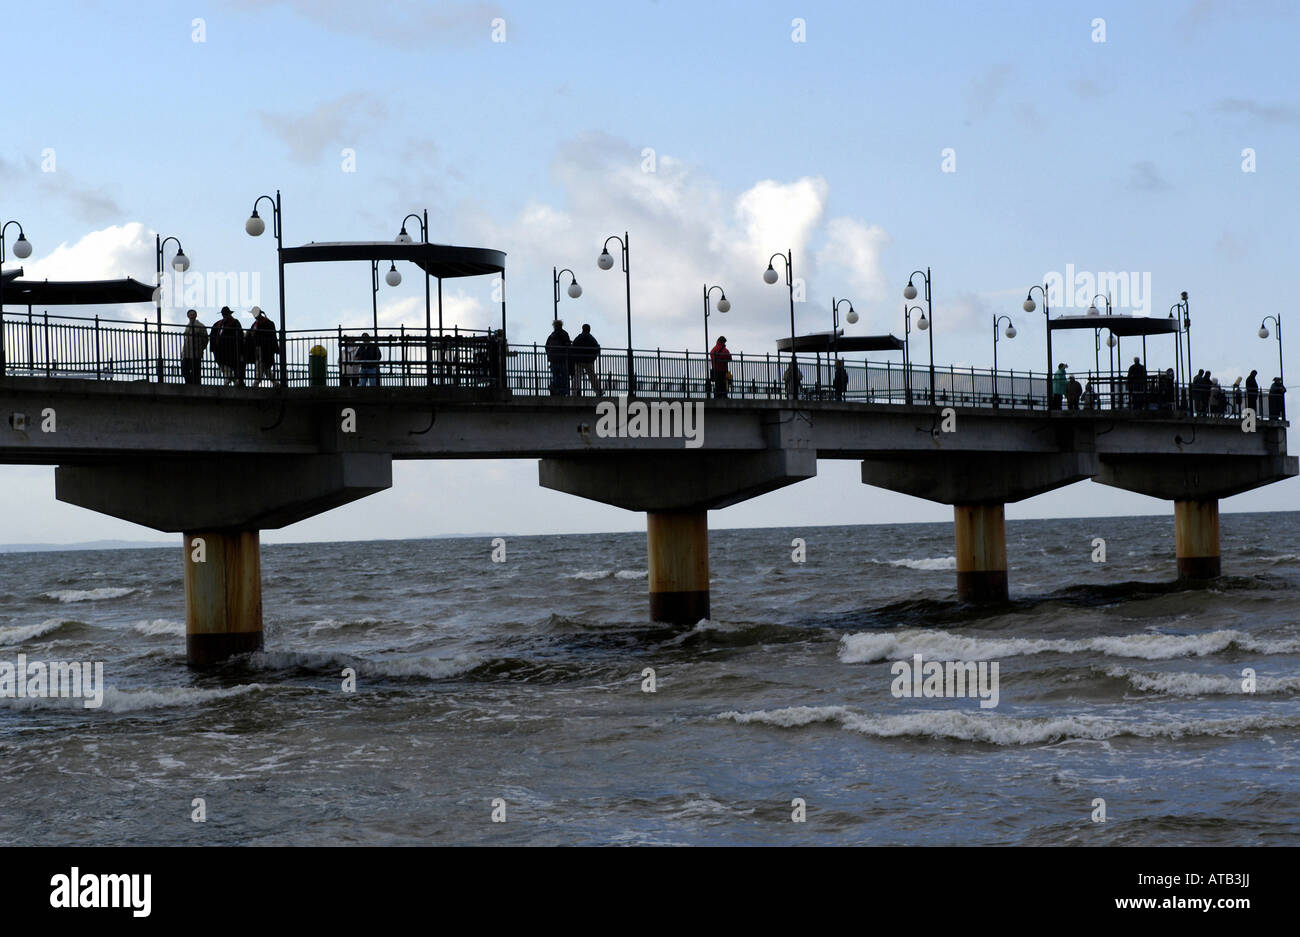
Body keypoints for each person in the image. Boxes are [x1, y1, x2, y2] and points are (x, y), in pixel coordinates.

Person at [208, 306, 244, 386]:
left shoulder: (235, 322)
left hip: (231, 348)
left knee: (231, 364)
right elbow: (212, 336)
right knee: (222, 364)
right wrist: (213, 348)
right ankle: (233, 380)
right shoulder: (217, 324)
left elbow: (239, 335)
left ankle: (230, 380)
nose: (225, 316)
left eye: (226, 314)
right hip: (219, 349)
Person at [245, 307, 280, 387]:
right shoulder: (257, 324)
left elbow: (272, 337)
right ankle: (275, 382)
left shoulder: (266, 323)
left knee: (261, 364)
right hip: (258, 348)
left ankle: (257, 381)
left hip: (265, 348)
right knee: (264, 366)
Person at [568, 323, 602, 396]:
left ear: (582, 329)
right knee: (592, 377)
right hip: (588, 361)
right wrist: (593, 358)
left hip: (579, 361)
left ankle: (574, 392)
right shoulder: (591, 338)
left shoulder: (578, 338)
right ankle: (598, 391)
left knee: (577, 377)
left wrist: (575, 358)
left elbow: (572, 347)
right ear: (589, 330)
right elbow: (597, 348)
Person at [180, 309, 207, 385]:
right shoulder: (187, 326)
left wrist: (201, 348)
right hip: (187, 352)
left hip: (196, 352)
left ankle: (196, 384)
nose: (192, 316)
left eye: (193, 314)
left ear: (196, 315)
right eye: (190, 314)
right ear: (188, 316)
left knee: (196, 370)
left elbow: (205, 338)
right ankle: (189, 383)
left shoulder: (200, 325)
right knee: (184, 369)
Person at [545, 319, 571, 396]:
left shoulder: (551, 335)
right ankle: (563, 392)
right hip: (562, 358)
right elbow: (568, 345)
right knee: (564, 376)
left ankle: (556, 391)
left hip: (553, 359)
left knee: (555, 376)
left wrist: (549, 355)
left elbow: (546, 346)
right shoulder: (564, 334)